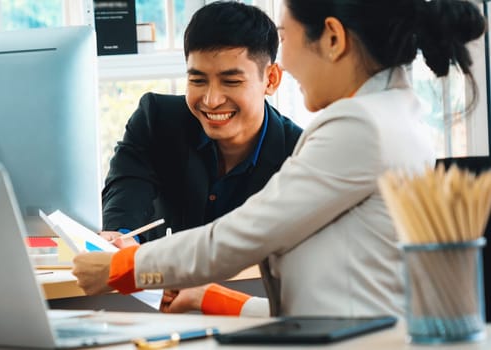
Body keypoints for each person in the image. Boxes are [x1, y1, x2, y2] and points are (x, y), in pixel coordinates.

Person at [74, 0, 486, 318]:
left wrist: (121, 267)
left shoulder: (359, 125)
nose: (284, 61)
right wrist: (216, 299)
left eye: (285, 37)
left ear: (332, 38)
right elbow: (339, 301)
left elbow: (242, 235)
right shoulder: (398, 112)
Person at [100, 1, 302, 244]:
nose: (211, 100)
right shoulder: (156, 119)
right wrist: (121, 236)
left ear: (271, 79)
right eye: (198, 80)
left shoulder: (299, 156)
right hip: (160, 280)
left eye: (231, 82)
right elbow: (127, 185)